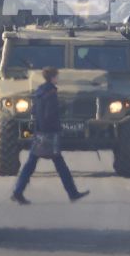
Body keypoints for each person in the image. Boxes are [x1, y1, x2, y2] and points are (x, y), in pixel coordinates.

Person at [11, 68, 88, 203]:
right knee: (60, 165)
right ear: (53, 77)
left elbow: (34, 111)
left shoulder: (39, 91)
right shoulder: (51, 92)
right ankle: (73, 193)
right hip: (49, 134)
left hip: (39, 132)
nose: (58, 78)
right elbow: (50, 114)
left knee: (31, 165)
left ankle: (18, 191)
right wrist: (60, 114)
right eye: (57, 76)